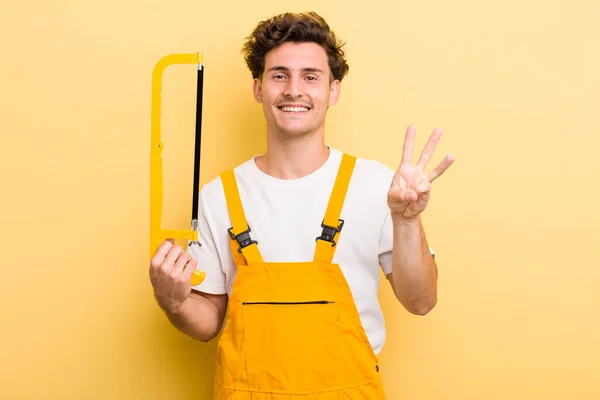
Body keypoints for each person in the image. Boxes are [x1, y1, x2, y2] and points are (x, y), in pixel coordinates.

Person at [149, 11, 454, 399]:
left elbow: (421, 301)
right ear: (258, 88)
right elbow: (208, 321)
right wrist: (173, 301)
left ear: (333, 91)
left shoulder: (378, 186)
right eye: (279, 75)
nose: (295, 89)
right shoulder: (218, 196)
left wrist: (407, 221)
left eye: (311, 76)